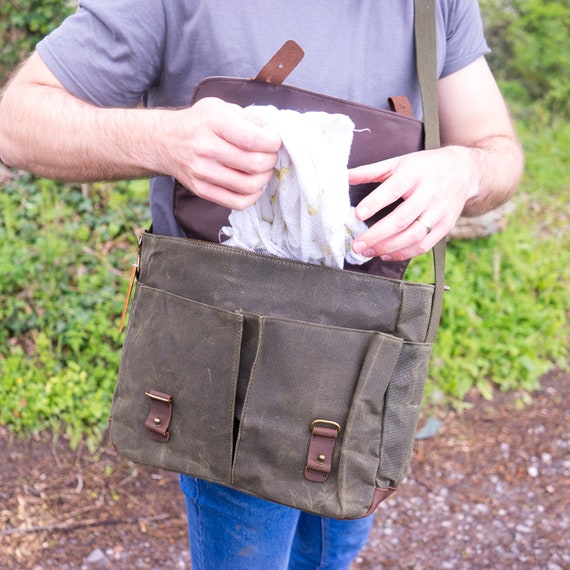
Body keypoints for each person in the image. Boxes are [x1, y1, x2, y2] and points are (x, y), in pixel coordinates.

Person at [0, 1, 524, 568]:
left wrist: (464, 170)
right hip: (227, 359)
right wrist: (163, 139)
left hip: (363, 360)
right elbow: (17, 122)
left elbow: (497, 148)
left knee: (333, 550)